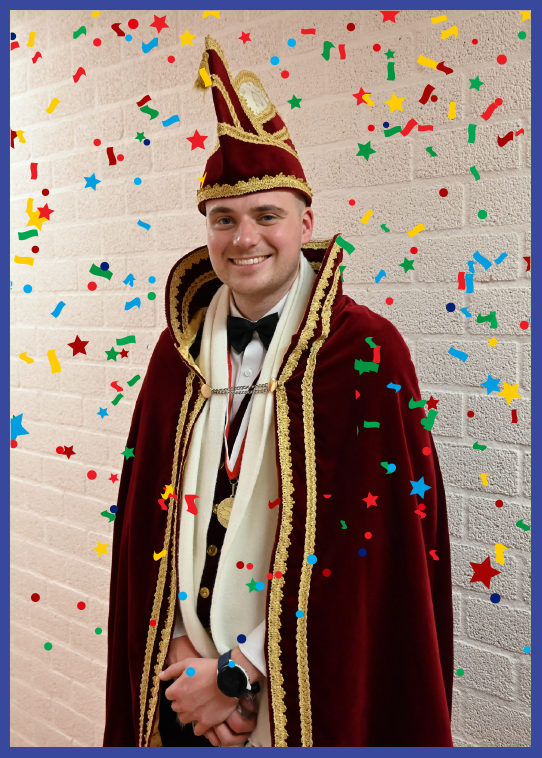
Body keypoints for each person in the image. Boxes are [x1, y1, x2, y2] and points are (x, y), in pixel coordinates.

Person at [104, 36, 454, 748]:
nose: (245, 239)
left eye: (267, 216)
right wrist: (179, 656)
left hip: (305, 692)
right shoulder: (176, 355)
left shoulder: (365, 352)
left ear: (306, 224)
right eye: (224, 220)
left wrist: (237, 679)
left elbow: (366, 565)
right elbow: (148, 532)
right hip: (180, 685)